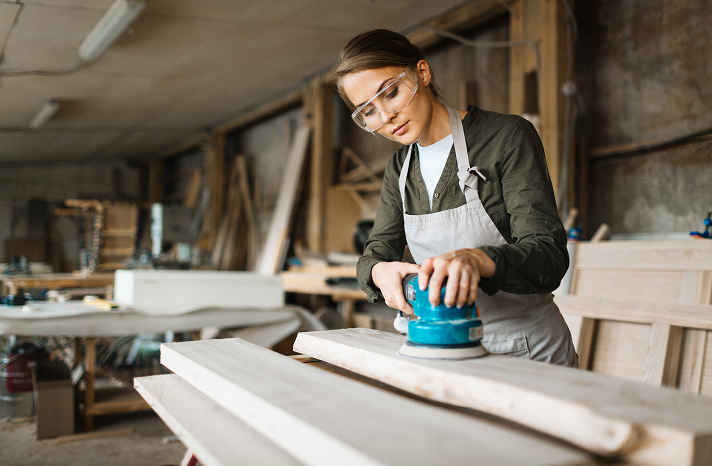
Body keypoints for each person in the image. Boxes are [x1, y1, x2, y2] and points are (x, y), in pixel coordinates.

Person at [336, 29, 577, 367]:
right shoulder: (400, 167)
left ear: (422, 73)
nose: (385, 117)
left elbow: (550, 257)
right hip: (437, 351)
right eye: (368, 111)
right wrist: (378, 272)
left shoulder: (505, 138)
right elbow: (375, 252)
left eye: (389, 93)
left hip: (521, 350)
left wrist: (476, 260)